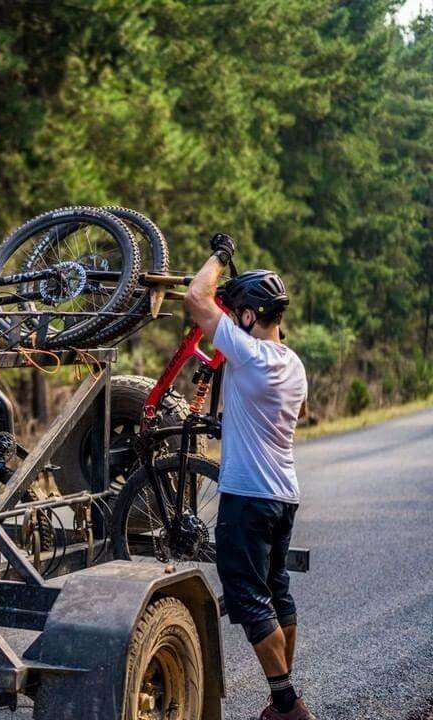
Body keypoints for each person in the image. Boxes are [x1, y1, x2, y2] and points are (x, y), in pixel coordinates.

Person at [184, 233, 315, 720]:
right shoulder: (292, 363)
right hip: (284, 494)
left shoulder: (248, 354)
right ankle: (281, 697)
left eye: (235, 309)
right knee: (277, 589)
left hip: (248, 496)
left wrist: (220, 255)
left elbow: (196, 297)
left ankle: (286, 702)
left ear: (246, 316)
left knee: (247, 594)